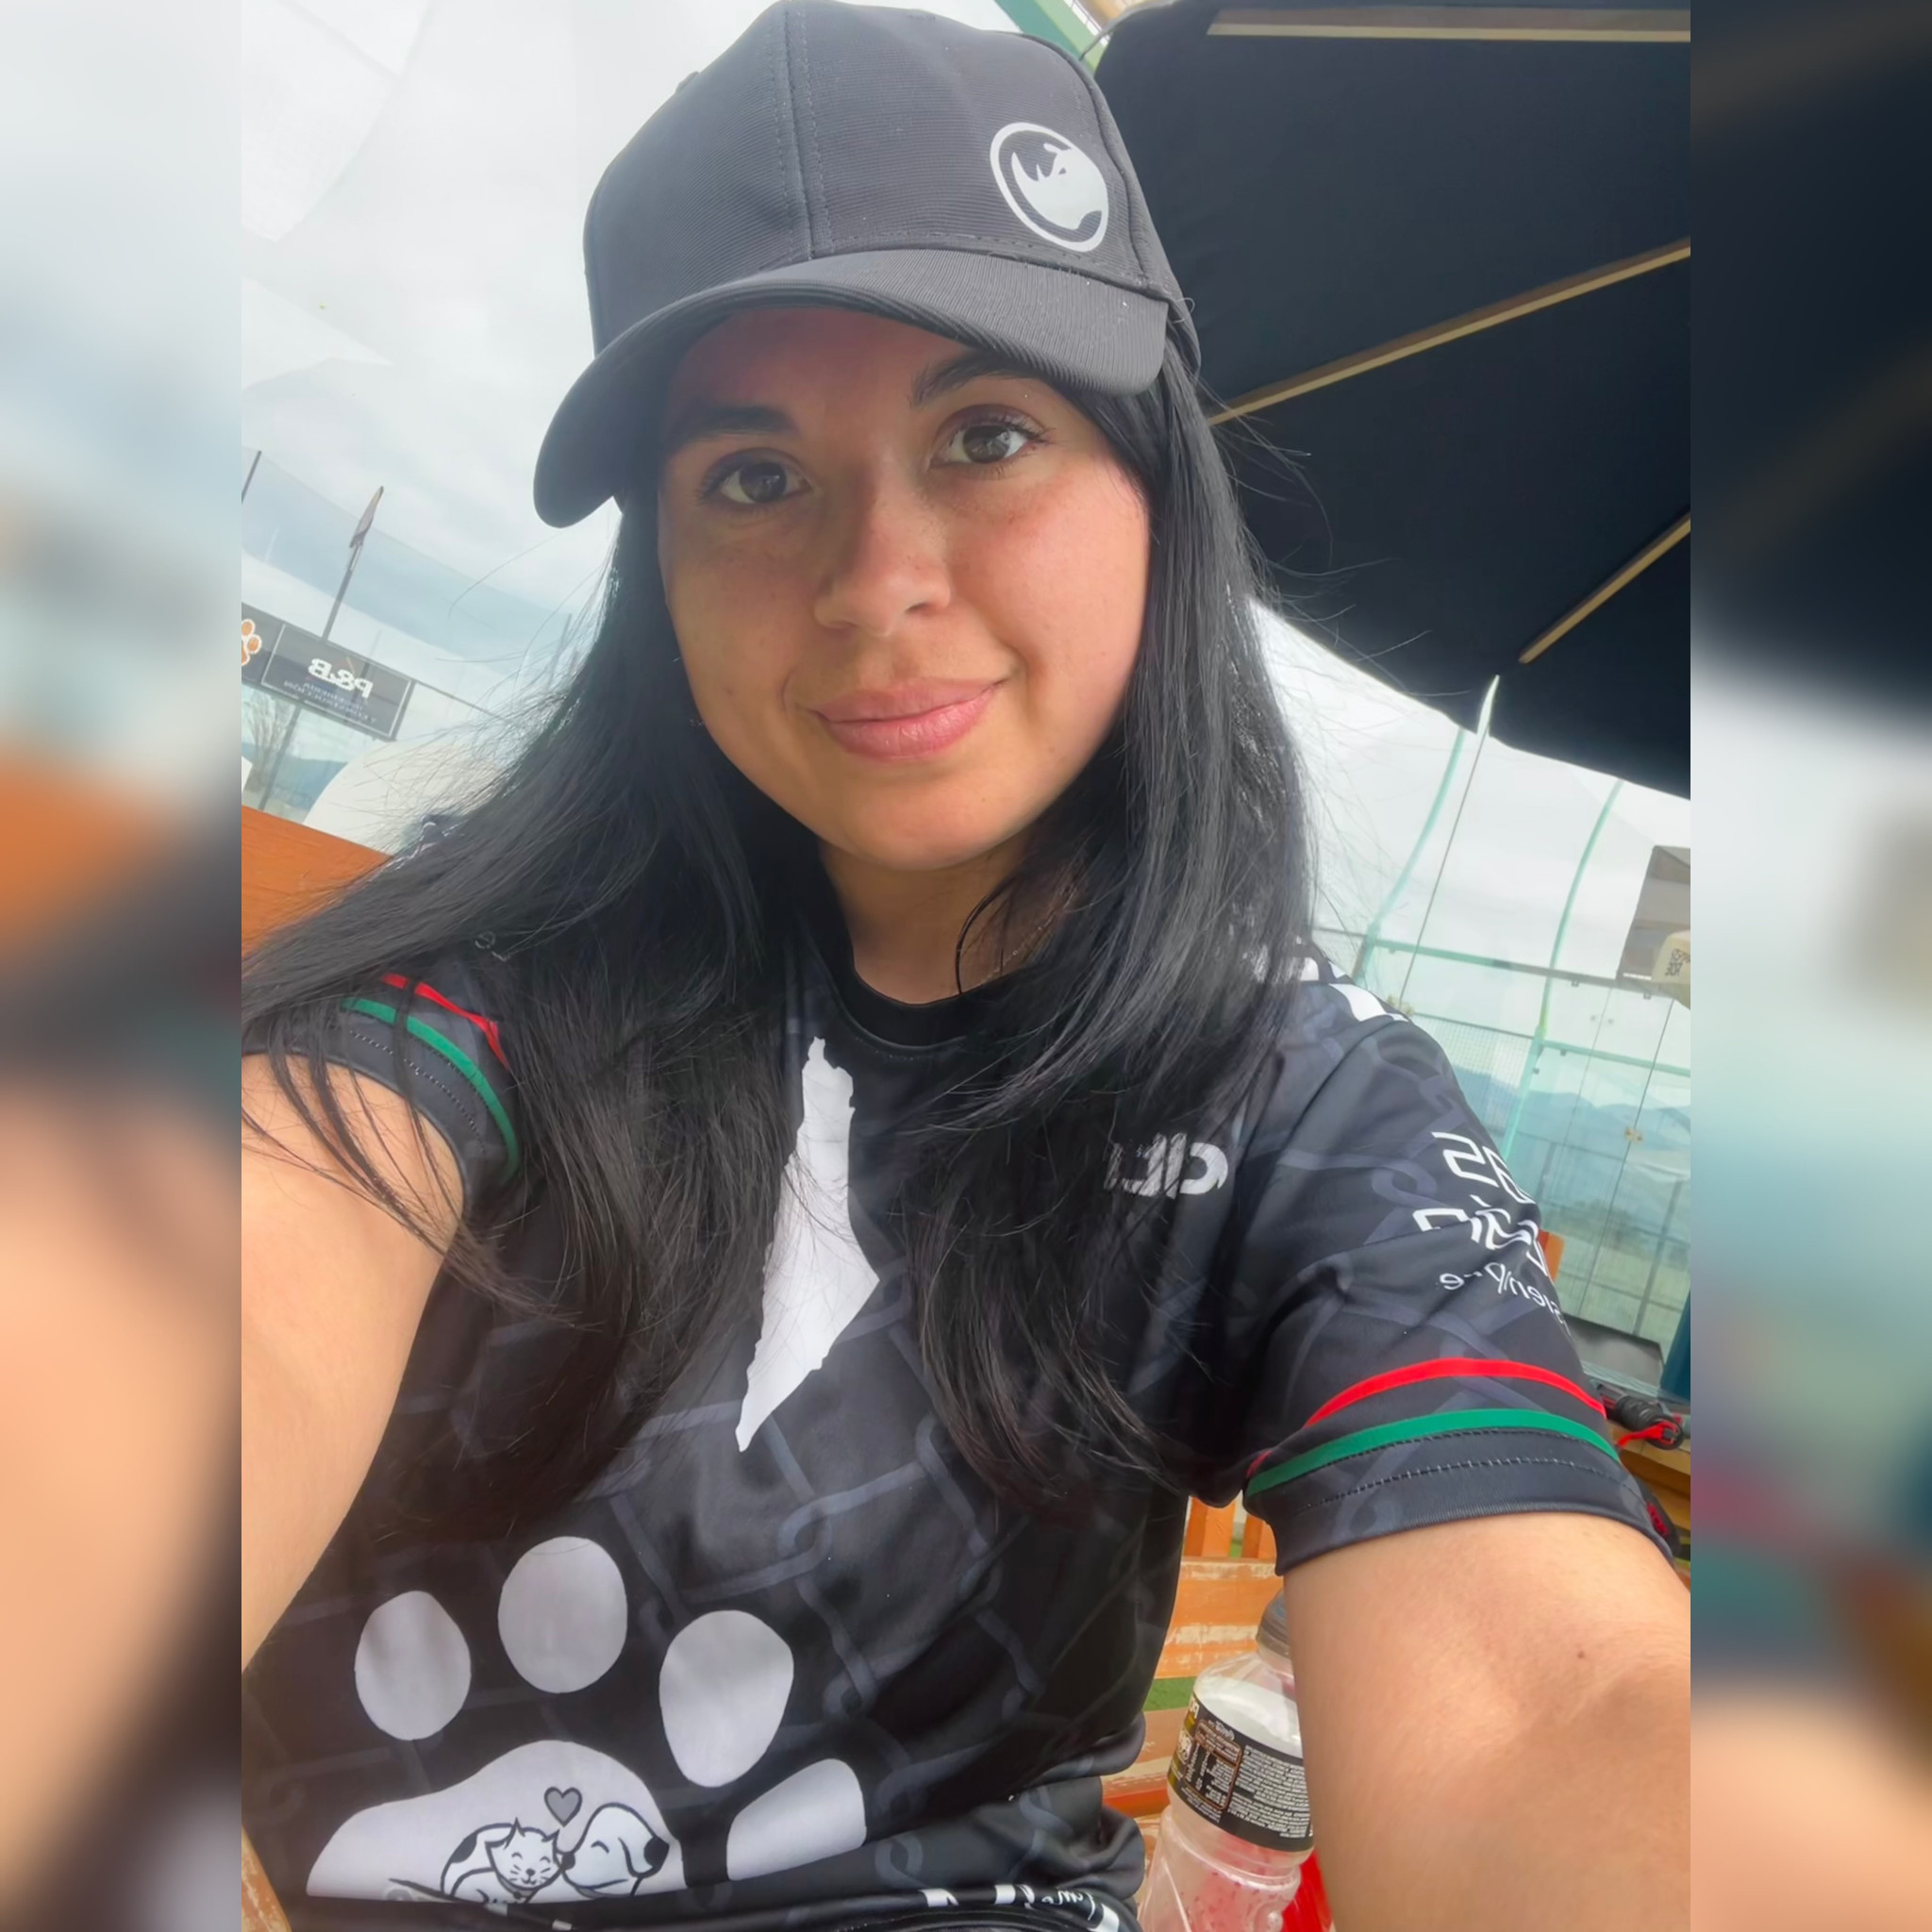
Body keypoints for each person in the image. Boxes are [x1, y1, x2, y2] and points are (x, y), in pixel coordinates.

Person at [242, 7, 1688, 1930]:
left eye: (987, 434)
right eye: (751, 477)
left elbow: (1539, 1703)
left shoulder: (1296, 1097)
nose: (875, 582)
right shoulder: (472, 994)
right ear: (656, 569)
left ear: (1157, 488)